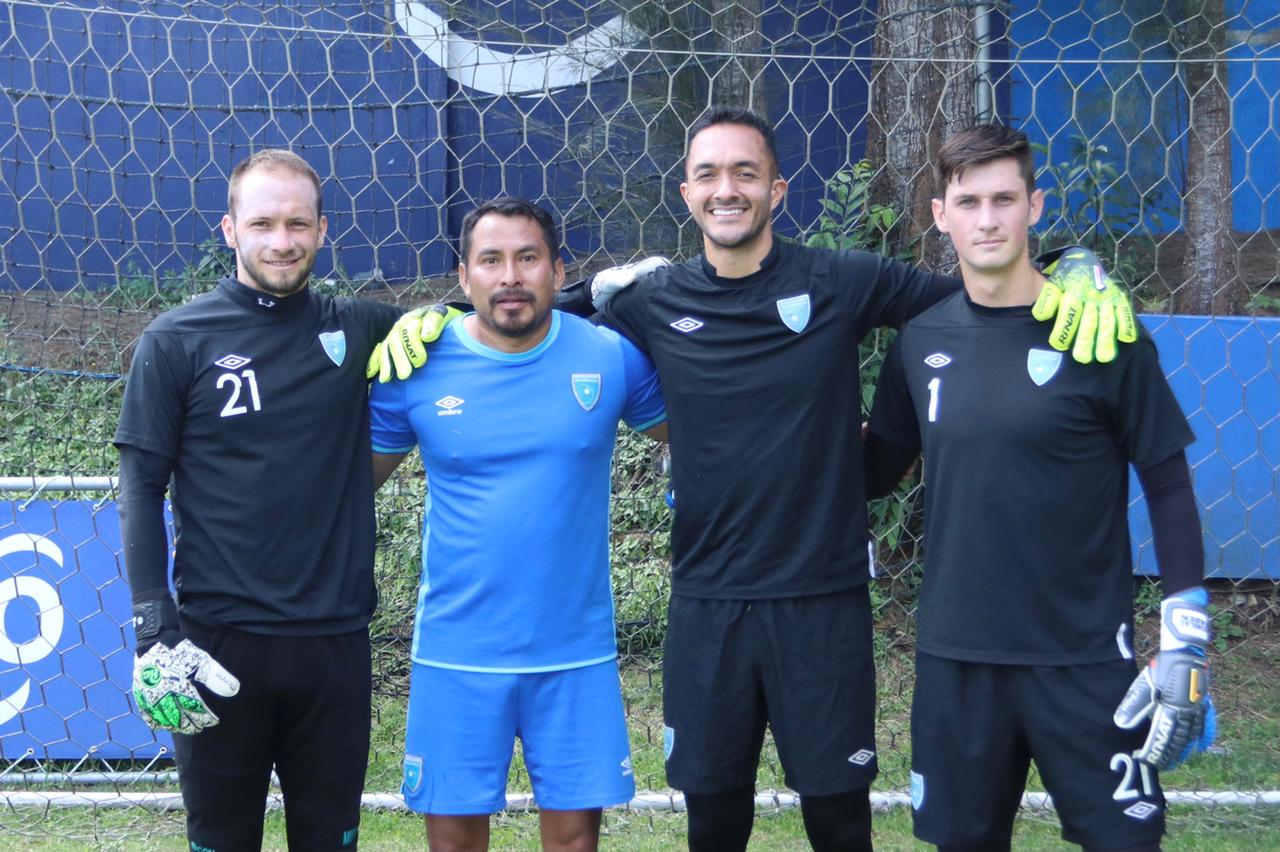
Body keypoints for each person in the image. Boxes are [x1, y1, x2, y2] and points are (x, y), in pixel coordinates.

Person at [372, 108, 1136, 851]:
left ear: (776, 189)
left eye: (746, 172)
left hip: (823, 599)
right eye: (708, 173)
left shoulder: (842, 279)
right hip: (708, 601)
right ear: (687, 192)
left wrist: (1074, 263)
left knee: (840, 822)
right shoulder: (653, 298)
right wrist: (434, 317)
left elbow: (979, 292)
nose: (726, 188)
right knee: (714, 822)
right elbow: (530, 308)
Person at [865, 123, 1214, 851]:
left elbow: (1169, 485)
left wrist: (1186, 634)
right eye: (968, 202)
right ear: (940, 214)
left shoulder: (1102, 330)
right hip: (958, 660)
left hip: (1086, 659)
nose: (986, 219)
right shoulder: (920, 342)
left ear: (1035, 206)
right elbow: (872, 472)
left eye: (1004, 198)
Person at [115, 149, 404, 850]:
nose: (282, 240)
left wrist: (593, 299)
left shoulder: (361, 327)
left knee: (328, 841)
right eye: (264, 222)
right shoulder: (176, 340)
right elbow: (140, 486)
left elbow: (489, 322)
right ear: (229, 229)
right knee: (219, 841)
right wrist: (156, 628)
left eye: (298, 223)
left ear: (323, 229)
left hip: (334, 647)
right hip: (216, 645)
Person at [367, 198, 667, 852]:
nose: (510, 276)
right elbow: (345, 485)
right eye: (492, 260)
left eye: (528, 258)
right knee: (452, 843)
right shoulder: (416, 364)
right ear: (464, 274)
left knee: (573, 843)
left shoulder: (610, 357)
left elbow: (707, 437)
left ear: (558, 272)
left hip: (574, 650)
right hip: (456, 650)